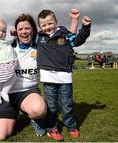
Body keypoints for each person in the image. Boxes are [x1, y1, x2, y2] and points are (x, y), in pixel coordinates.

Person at [35, 9, 91, 140]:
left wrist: (85, 26)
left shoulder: (65, 35)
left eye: (50, 23)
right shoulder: (39, 37)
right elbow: (25, 38)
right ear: (40, 27)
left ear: (56, 22)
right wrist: (15, 34)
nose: (47, 27)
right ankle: (52, 128)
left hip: (65, 78)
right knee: (52, 106)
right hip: (48, 79)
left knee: (67, 104)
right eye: (43, 25)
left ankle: (71, 126)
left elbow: (78, 40)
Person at [0, 14, 47, 141]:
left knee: (38, 110)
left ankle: (34, 118)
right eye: (20, 29)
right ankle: (10, 111)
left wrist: (75, 21)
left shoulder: (40, 46)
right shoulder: (8, 46)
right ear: (16, 31)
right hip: (7, 93)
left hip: (28, 92)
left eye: (27, 28)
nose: (24, 31)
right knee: (0, 136)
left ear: (33, 29)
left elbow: (53, 36)